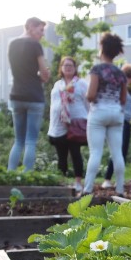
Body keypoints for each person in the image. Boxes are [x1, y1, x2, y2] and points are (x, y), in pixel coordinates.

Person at [83, 32, 127, 197]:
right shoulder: (121, 73)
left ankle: (87, 190)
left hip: (99, 113)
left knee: (96, 152)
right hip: (116, 114)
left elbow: (91, 95)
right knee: (117, 152)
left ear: (101, 48)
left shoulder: (97, 69)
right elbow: (123, 99)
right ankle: (120, 189)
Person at [7, 17, 50, 172]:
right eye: (40, 30)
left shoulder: (12, 44)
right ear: (30, 27)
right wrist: (44, 75)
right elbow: (44, 73)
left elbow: (20, 71)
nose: (42, 34)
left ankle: (10, 175)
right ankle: (26, 177)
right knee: (30, 141)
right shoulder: (35, 45)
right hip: (34, 97)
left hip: (16, 96)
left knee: (18, 140)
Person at [47, 56, 89, 193]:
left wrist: (88, 119)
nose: (68, 67)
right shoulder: (57, 84)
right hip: (59, 125)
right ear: (61, 68)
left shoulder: (81, 84)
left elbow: (88, 102)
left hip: (75, 124)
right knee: (61, 155)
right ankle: (62, 181)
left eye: (71, 65)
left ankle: (78, 182)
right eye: (65, 65)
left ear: (75, 68)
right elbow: (53, 104)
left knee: (75, 153)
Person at [101, 64, 131, 189]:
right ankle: (107, 179)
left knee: (123, 151)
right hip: (120, 122)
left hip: (125, 122)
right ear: (129, 76)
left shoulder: (125, 89)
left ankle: (118, 180)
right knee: (117, 151)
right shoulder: (119, 89)